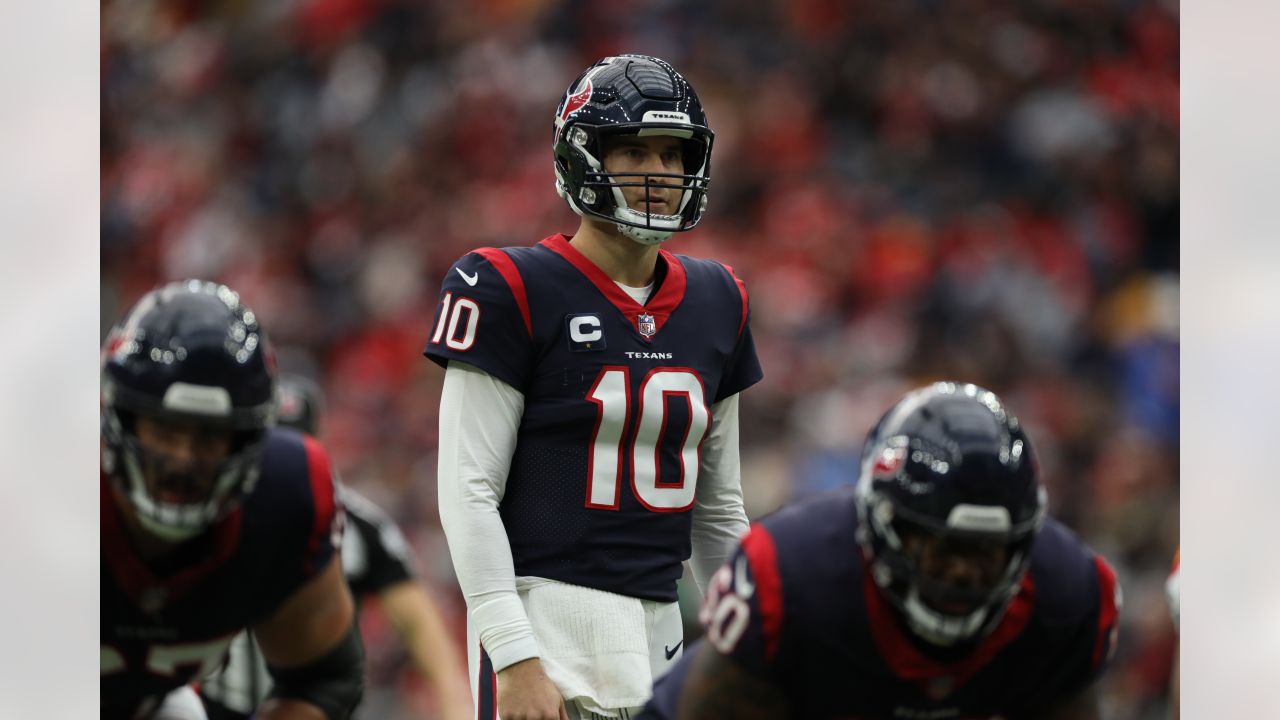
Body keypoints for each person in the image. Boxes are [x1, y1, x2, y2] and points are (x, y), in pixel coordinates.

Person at [424, 54, 763, 720]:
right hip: (541, 616)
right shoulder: (507, 285)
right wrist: (514, 655)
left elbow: (718, 511)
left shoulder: (721, 300)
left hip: (661, 631)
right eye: (635, 149)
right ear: (582, 156)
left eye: (673, 155)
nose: (658, 175)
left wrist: (760, 646)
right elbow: (467, 491)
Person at [641, 382, 1123, 719]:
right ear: (883, 525)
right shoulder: (793, 578)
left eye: (985, 551)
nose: (961, 572)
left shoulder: (1065, 595)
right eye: (942, 545)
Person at [101, 280, 364, 720]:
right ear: (121, 418)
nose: (183, 461)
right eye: (166, 428)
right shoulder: (36, 486)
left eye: (207, 435)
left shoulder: (285, 495)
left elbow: (322, 678)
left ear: (247, 439)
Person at [200, 375, 472, 720]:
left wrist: (453, 699)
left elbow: (416, 618)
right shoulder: (212, 516)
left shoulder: (360, 525)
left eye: (296, 442)